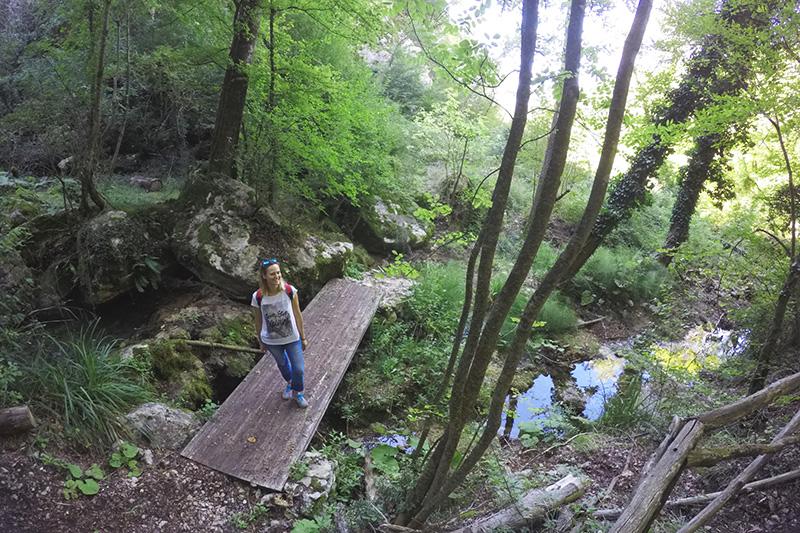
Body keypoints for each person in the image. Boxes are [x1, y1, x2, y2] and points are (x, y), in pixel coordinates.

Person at [251, 258, 309, 408]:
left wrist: (303, 337)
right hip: (271, 341)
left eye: (278, 273)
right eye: (272, 274)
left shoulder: (289, 291)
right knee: (283, 364)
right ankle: (290, 383)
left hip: (292, 337)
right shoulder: (258, 297)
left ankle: (298, 392)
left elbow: (298, 315)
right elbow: (258, 321)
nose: (276, 276)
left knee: (298, 368)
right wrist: (260, 341)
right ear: (264, 276)